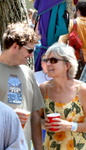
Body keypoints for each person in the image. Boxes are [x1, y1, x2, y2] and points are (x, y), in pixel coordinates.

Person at [39, 42, 86, 149]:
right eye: (46, 60)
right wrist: (44, 124)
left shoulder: (82, 89)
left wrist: (70, 126)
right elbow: (37, 119)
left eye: (53, 61)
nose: (48, 64)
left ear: (67, 65)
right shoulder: (43, 89)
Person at [0, 22, 44, 150]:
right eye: (30, 50)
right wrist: (8, 115)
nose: (31, 55)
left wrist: (38, 148)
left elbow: (35, 115)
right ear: (15, 47)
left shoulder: (28, 73)